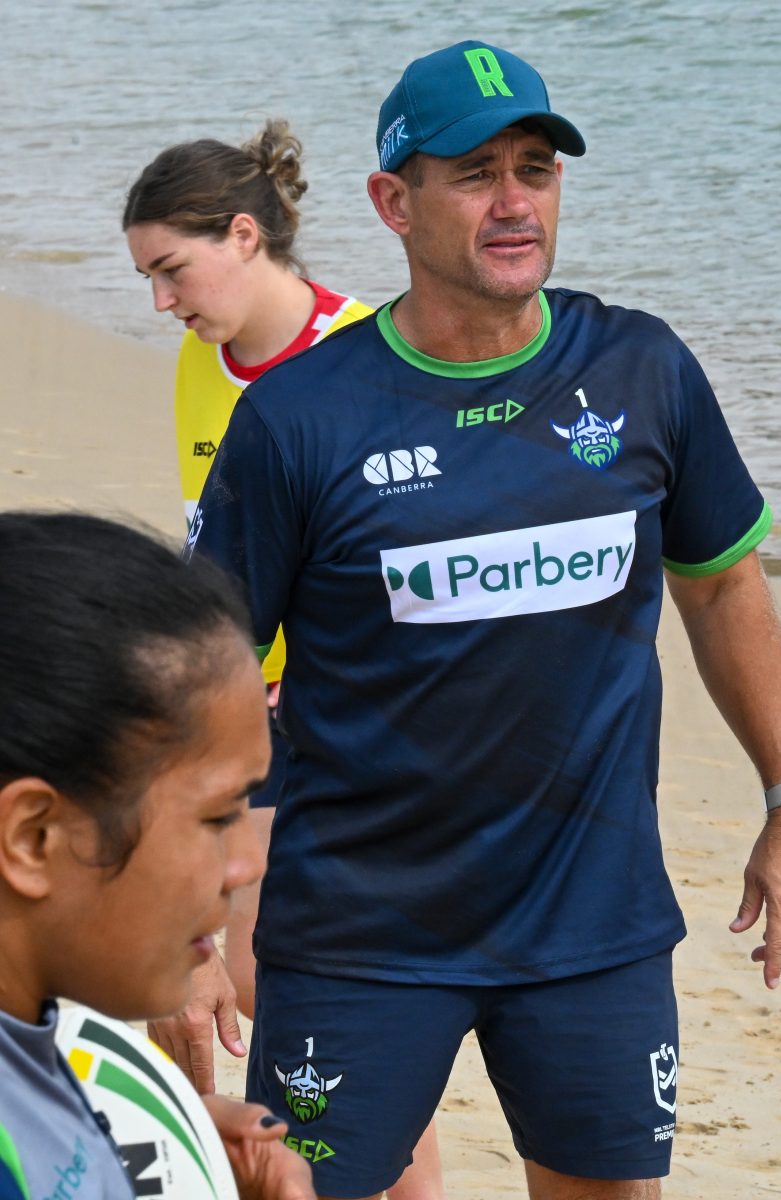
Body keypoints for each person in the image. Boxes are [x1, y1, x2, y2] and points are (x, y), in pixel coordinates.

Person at [180, 40, 781, 1200]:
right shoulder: (298, 420)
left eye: (535, 168)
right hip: (357, 938)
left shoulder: (640, 369)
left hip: (593, 927)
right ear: (395, 202)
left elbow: (723, 583)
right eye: (476, 173)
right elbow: (203, 672)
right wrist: (199, 910)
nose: (516, 200)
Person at [123, 125, 445, 1200]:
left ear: (245, 234)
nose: (162, 302)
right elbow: (220, 571)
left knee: (330, 1004)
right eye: (149, 279)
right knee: (247, 985)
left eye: (172, 270)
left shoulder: (375, 348)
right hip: (256, 722)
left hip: (376, 724)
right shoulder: (198, 363)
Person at [0, 512, 315, 1200]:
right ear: (31, 837)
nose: (248, 865)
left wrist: (179, 1138)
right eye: (217, 816)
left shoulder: (44, 1034)